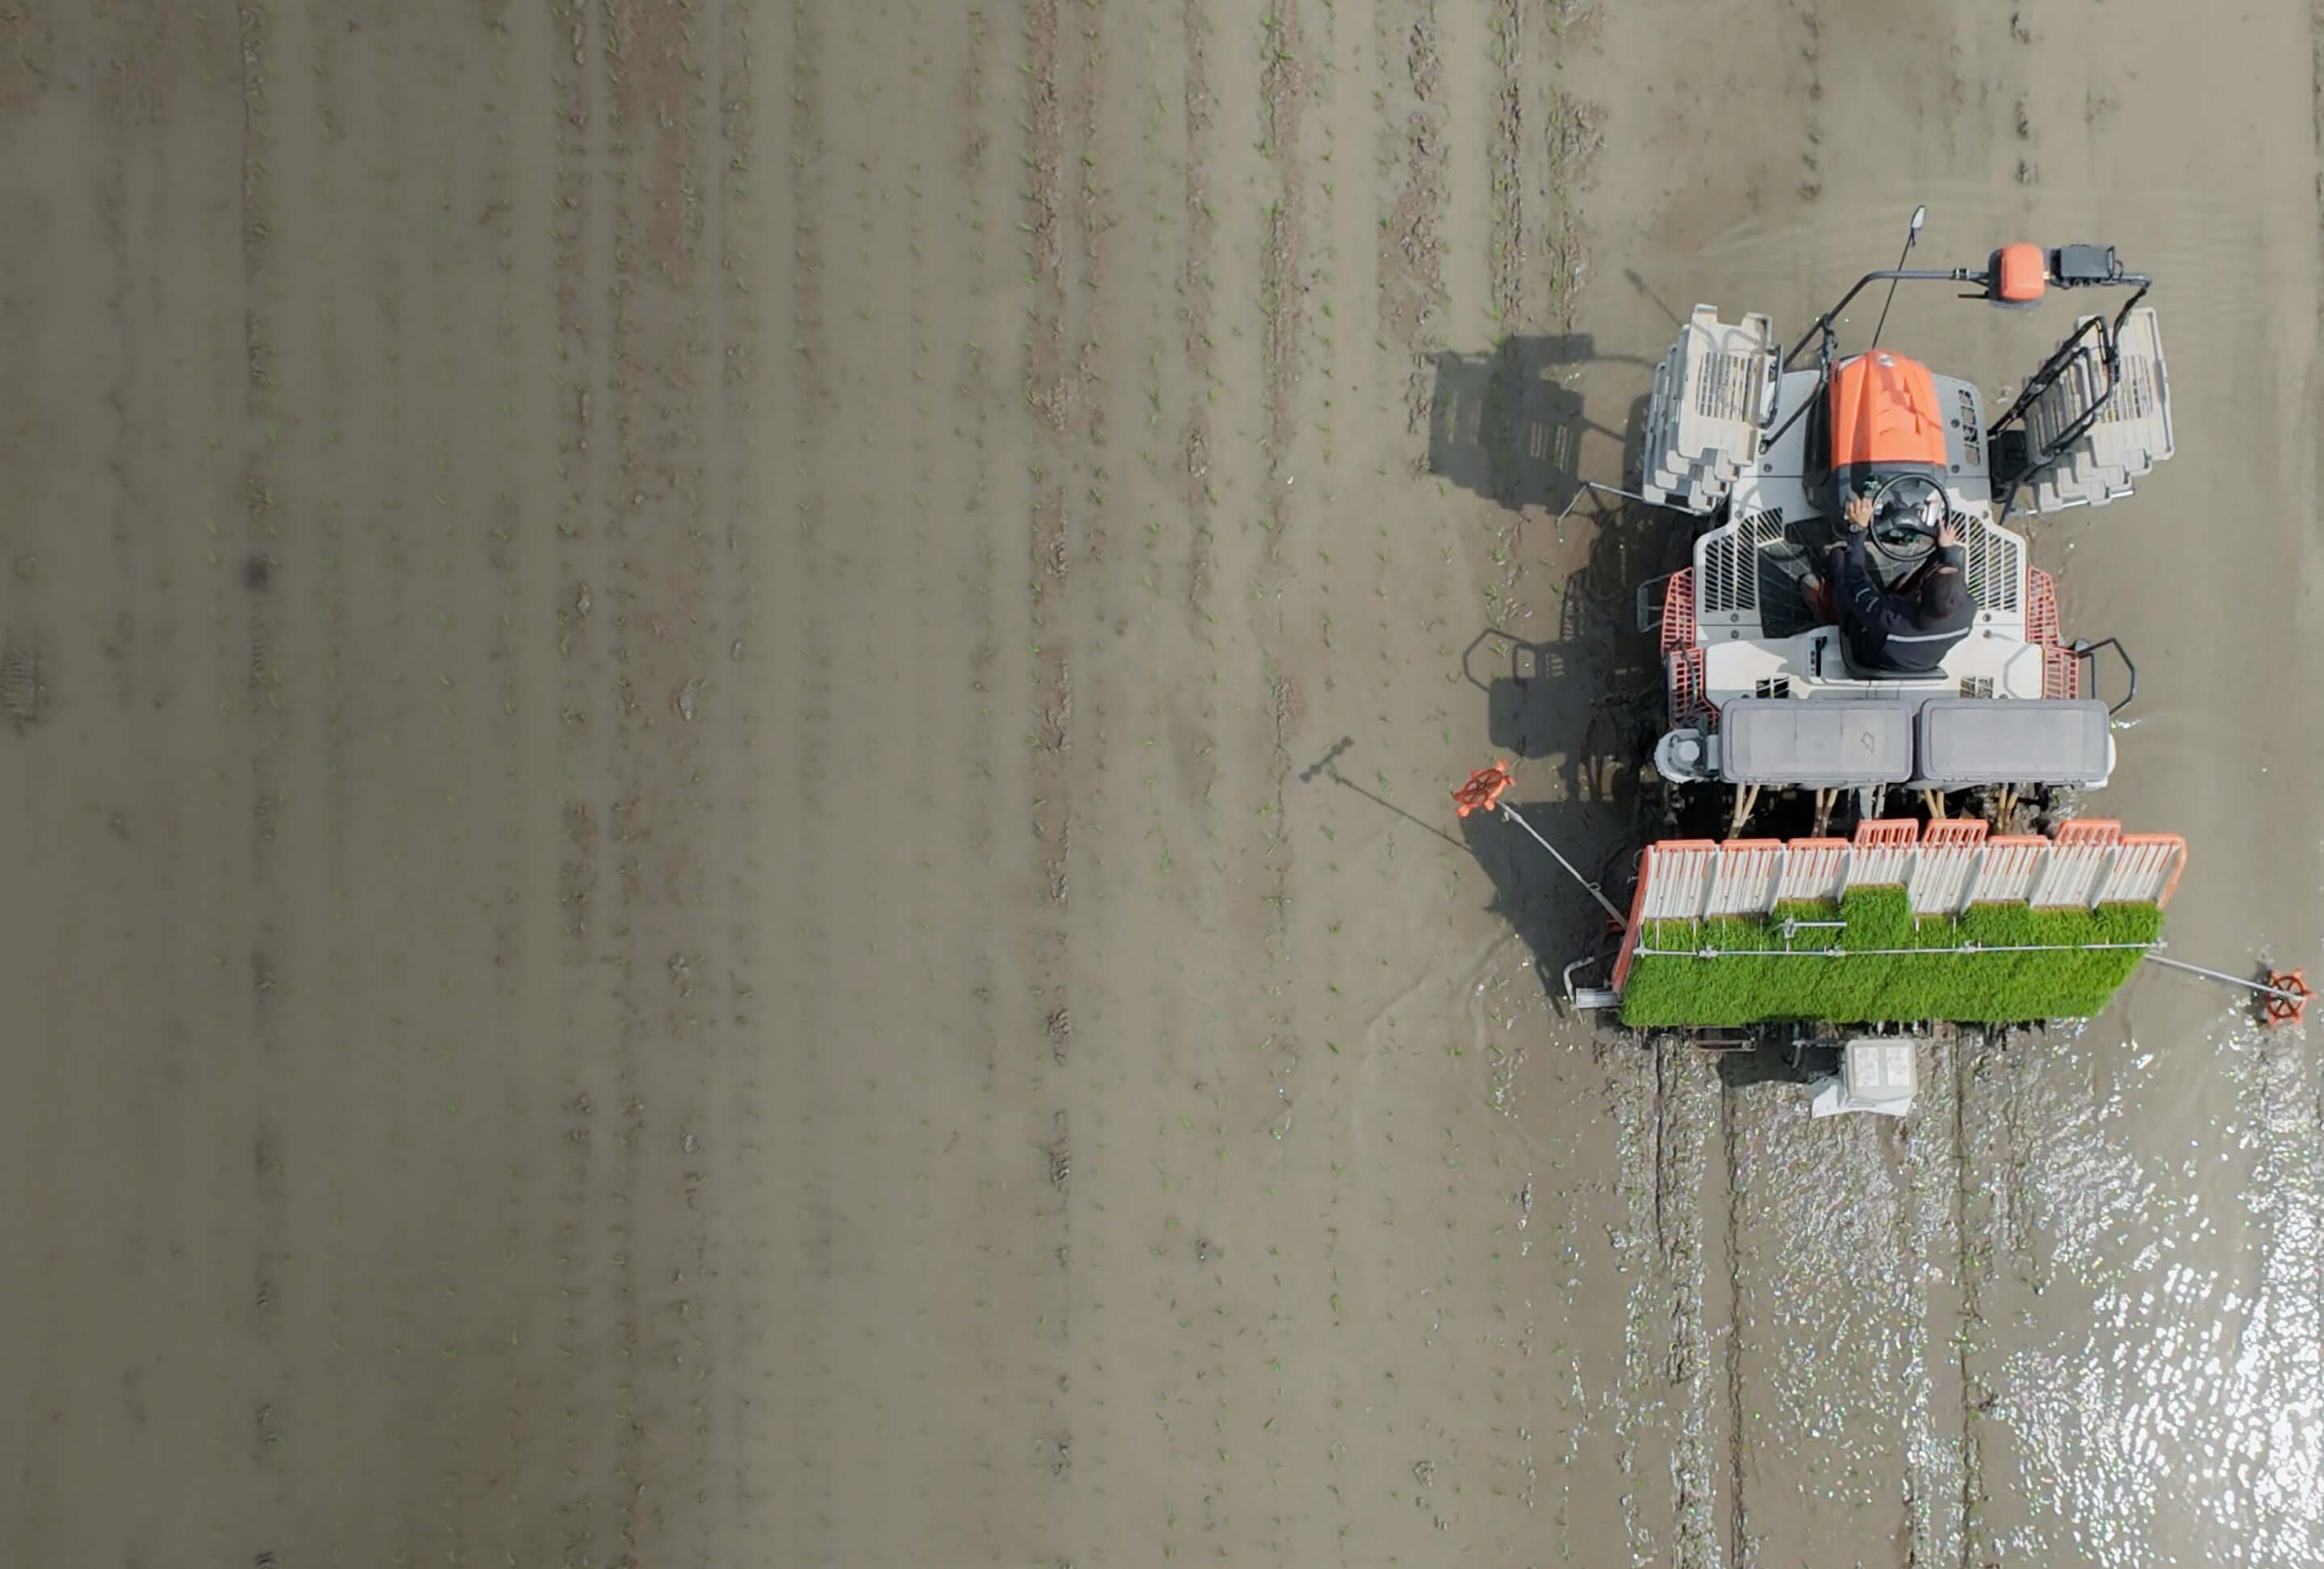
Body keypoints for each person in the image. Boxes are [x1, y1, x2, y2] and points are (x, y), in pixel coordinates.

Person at [1804, 493, 1975, 672]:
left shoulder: (1888, 618)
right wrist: (1948, 551)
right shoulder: (1968, 613)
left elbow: (1854, 579)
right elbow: (1950, 573)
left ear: (1919, 596)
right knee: (1937, 557)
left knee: (1840, 558)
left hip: (1870, 651)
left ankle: (1829, 611)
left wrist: (1858, 529)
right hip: (1919, 657)